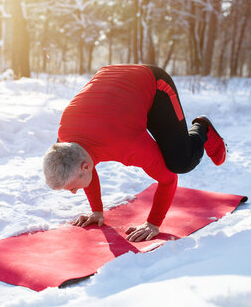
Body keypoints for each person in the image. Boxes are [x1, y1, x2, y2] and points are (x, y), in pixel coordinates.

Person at [43, 64, 226, 242]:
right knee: (88, 154)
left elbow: (168, 180)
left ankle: (202, 127)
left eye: (73, 187)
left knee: (180, 162)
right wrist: (97, 211)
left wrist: (153, 223)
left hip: (152, 83)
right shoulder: (65, 142)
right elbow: (84, 165)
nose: (75, 192)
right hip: (111, 83)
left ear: (85, 167)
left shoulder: (128, 144)